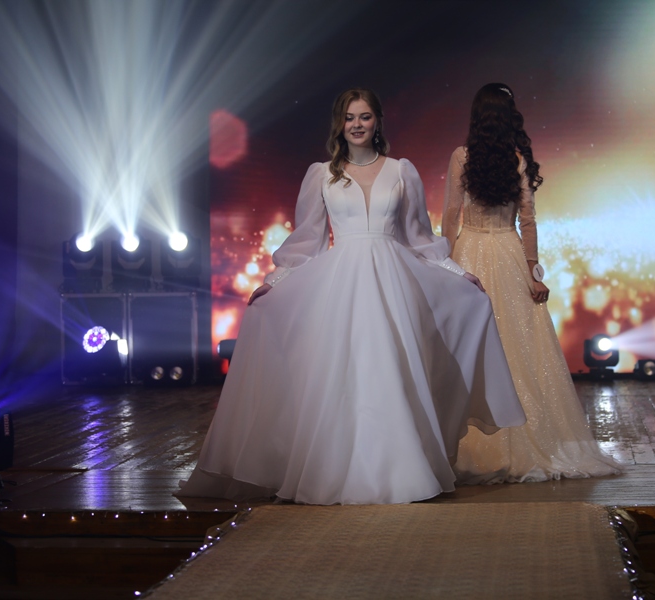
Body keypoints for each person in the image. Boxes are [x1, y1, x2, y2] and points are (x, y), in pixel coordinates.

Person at [178, 88, 525, 505]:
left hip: (393, 283)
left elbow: (418, 236)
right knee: (343, 373)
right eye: (349, 117)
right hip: (341, 284)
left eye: (364, 116)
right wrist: (277, 280)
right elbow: (307, 239)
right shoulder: (322, 174)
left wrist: (457, 273)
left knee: (391, 368)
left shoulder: (401, 171)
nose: (357, 125)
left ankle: (400, 468)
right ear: (339, 124)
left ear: (377, 121)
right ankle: (335, 469)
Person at [442, 83, 622, 483]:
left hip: (470, 253)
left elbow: (452, 215)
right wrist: (533, 272)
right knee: (518, 349)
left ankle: (474, 447)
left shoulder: (462, 157)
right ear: (509, 118)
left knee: (472, 349)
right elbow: (528, 221)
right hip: (509, 255)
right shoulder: (517, 158)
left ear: (477, 117)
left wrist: (446, 265)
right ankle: (518, 442)